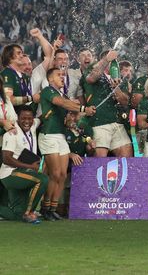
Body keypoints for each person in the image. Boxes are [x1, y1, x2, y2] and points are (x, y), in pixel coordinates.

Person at [39, 68, 96, 221]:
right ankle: (45, 208)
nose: (62, 77)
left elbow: (65, 114)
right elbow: (62, 104)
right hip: (48, 136)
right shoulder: (48, 91)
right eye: (58, 75)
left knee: (63, 175)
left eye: (63, 75)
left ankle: (53, 208)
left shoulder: (62, 94)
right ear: (50, 79)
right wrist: (83, 108)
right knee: (55, 174)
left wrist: (70, 121)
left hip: (61, 137)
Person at [0, 105, 47, 223]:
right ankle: (29, 213)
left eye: (30, 119)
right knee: (42, 179)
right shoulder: (11, 133)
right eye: (23, 118)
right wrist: (31, 167)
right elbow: (6, 159)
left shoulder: (33, 126)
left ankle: (23, 214)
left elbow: (42, 117)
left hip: (23, 173)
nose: (27, 122)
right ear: (17, 118)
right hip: (10, 174)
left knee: (17, 215)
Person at [82, 49, 132, 158]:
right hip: (99, 122)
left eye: (115, 61)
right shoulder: (92, 69)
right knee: (100, 162)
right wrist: (106, 59)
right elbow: (91, 79)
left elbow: (125, 102)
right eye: (111, 61)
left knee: (127, 159)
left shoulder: (119, 78)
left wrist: (116, 88)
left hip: (117, 122)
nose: (114, 64)